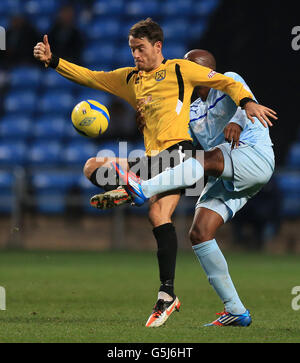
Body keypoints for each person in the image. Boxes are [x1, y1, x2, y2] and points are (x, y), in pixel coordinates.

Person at [33, 18, 277, 328]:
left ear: (158, 47)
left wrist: (241, 114)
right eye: (131, 48)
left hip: (233, 156)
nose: (135, 54)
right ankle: (223, 307)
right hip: (214, 170)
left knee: (188, 166)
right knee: (193, 230)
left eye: (140, 48)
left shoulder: (184, 70)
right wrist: (53, 61)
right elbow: (93, 77)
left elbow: (235, 88)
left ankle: (138, 188)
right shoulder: (156, 91)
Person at [102, 49, 275, 326]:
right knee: (199, 233)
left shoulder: (228, 79)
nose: (180, 70)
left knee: (205, 159)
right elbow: (178, 146)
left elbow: (245, 99)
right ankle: (236, 311)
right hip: (226, 173)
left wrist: (236, 120)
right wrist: (149, 124)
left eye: (187, 66)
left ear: (206, 71)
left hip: (254, 155)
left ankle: (141, 189)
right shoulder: (191, 109)